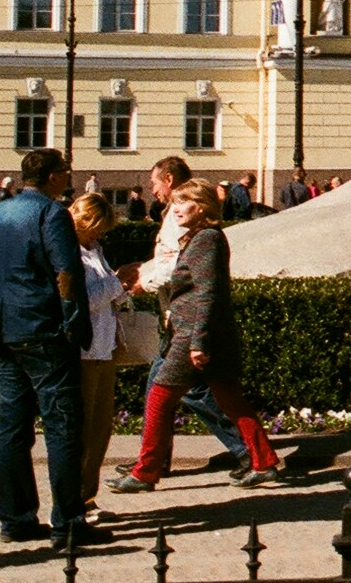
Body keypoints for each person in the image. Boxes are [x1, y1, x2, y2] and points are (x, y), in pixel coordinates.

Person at [112, 180, 283, 491]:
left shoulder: (206, 239)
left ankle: (145, 473)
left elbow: (207, 294)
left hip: (192, 335)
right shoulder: (202, 237)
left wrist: (197, 343)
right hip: (204, 333)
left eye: (183, 203)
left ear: (202, 207)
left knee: (159, 400)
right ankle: (264, 461)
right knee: (230, 399)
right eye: (174, 202)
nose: (175, 209)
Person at [0, 150, 92, 547]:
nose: (68, 179)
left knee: (14, 428)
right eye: (65, 173)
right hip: (39, 328)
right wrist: (74, 325)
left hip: (0, 329)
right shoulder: (52, 214)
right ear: (53, 177)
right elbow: (67, 273)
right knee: (63, 425)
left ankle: (16, 518)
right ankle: (68, 522)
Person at [125, 157, 249, 468]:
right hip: (182, 321)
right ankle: (156, 461)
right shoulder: (188, 222)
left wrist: (143, 281)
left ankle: (246, 452)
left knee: (168, 392)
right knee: (197, 393)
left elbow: (182, 274)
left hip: (184, 324)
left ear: (168, 179)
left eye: (155, 183)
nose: (154, 190)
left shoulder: (195, 228)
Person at [68, 192, 126, 519]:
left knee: (101, 427)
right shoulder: (68, 251)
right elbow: (80, 299)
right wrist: (119, 282)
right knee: (83, 429)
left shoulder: (95, 249)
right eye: (97, 227)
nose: (100, 234)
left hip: (105, 347)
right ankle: (74, 499)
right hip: (83, 349)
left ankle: (88, 496)